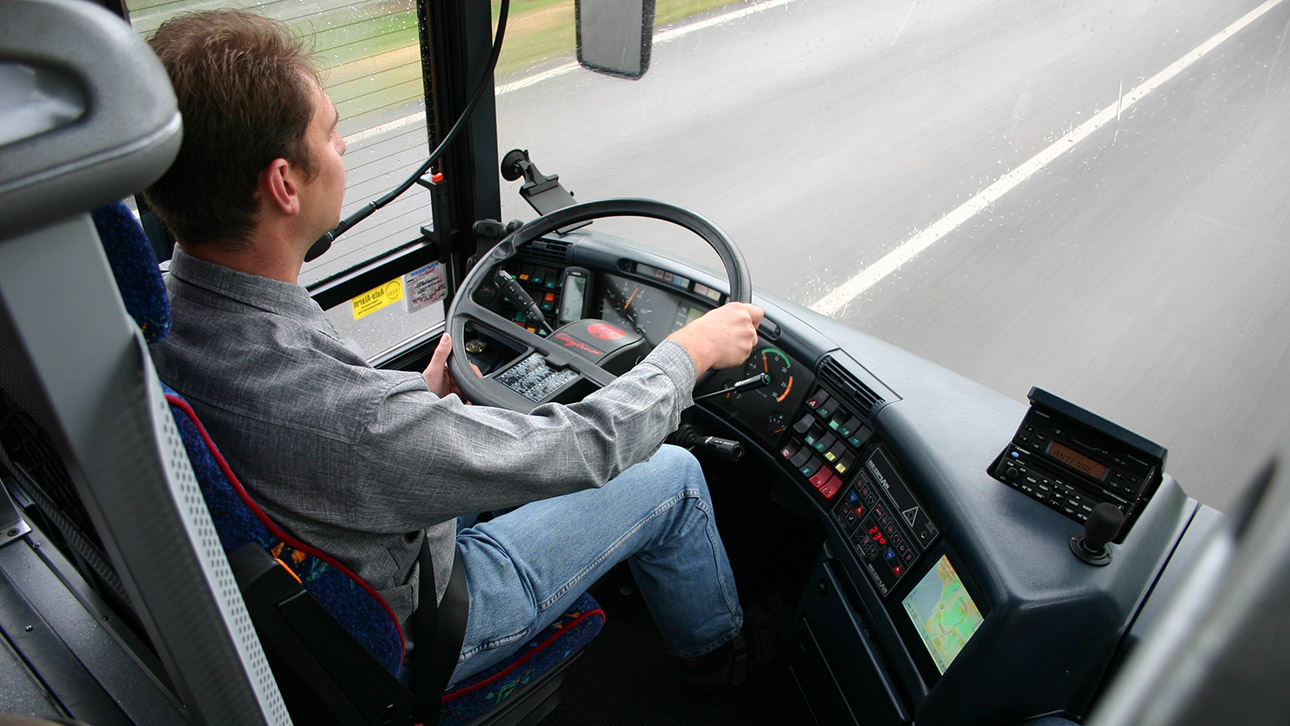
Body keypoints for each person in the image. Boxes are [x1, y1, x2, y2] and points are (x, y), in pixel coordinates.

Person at [143, 10, 767, 690]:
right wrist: (689, 350)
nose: (345, 146)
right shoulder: (355, 418)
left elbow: (350, 437)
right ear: (284, 184)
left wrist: (426, 408)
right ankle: (720, 665)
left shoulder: (158, 312)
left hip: (338, 555)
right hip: (429, 618)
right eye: (329, 133)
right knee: (670, 475)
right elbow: (587, 449)